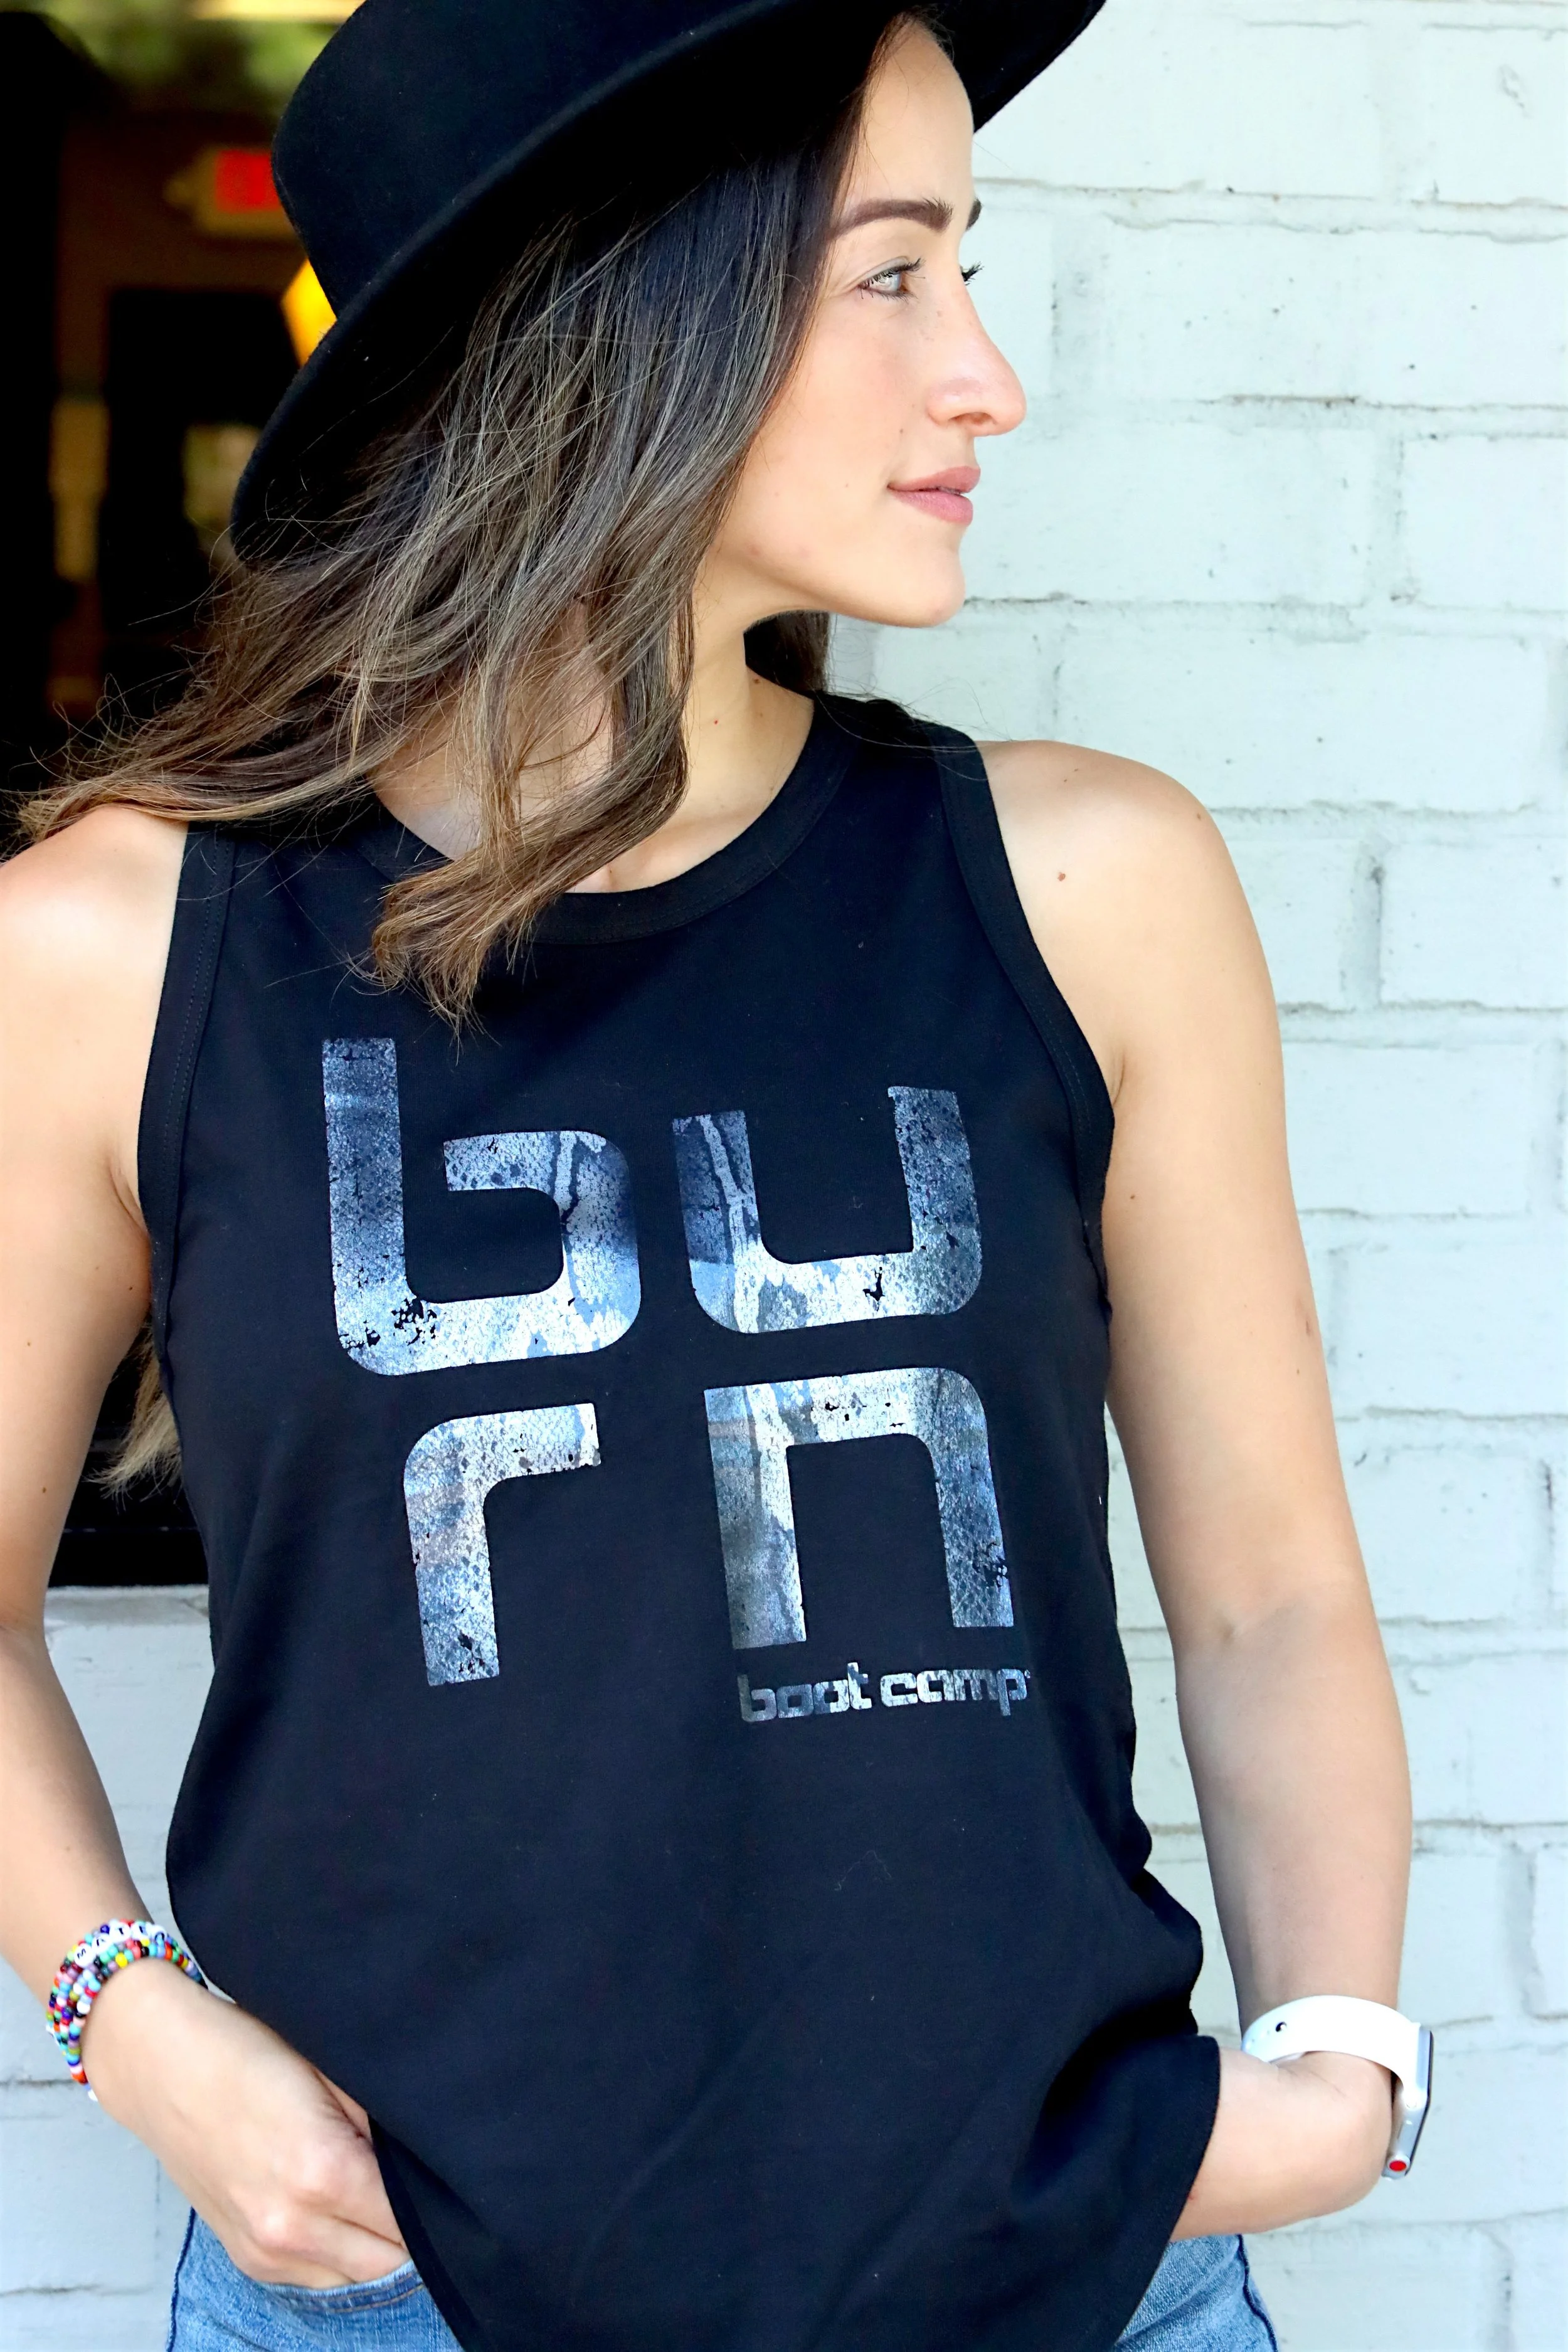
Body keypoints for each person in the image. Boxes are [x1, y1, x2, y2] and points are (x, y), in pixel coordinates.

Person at [0, 2, 1417, 2346]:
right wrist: (133, 2024)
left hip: (1061, 2275)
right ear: (611, 307)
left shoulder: (1082, 886)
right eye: (891, 274)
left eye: (966, 264)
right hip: (401, 2299)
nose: (985, 378)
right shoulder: (115, 952)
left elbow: (1265, 1594)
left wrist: (1340, 2060)